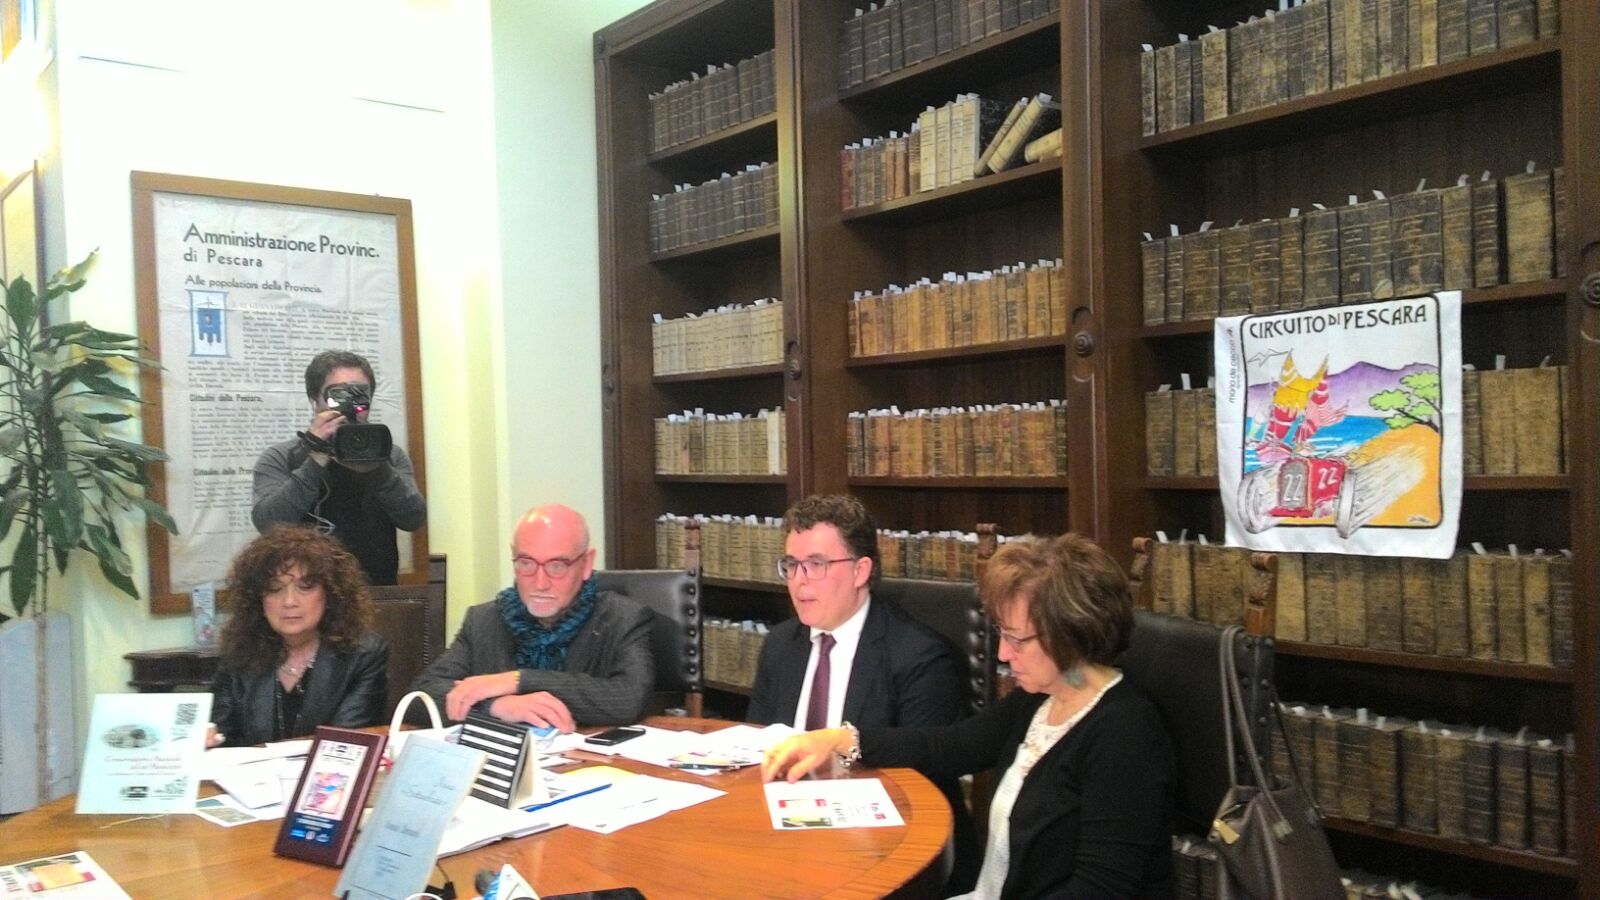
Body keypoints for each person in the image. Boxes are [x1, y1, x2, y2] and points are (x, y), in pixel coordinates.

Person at [762, 533, 1176, 900]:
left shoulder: (1125, 732)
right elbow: (951, 746)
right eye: (1002, 635)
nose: (1003, 654)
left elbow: (1101, 888)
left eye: (1017, 639)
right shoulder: (1042, 698)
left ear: (1072, 633)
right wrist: (841, 740)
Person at [746, 493, 976, 890]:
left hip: (884, 850)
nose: (799, 580)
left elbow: (922, 781)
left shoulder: (920, 655)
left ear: (860, 570)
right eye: (791, 565)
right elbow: (757, 744)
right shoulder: (782, 643)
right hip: (784, 838)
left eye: (816, 564)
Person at [411, 504, 653, 731]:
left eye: (557, 566)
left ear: (586, 563)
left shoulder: (623, 618)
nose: (540, 583)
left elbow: (628, 698)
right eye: (526, 563)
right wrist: (495, 706)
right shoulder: (484, 620)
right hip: (506, 758)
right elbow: (420, 696)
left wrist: (518, 681)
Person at [252, 350, 425, 585]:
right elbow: (268, 525)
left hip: (375, 594)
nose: (349, 408)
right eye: (338, 396)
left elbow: (414, 519)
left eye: (359, 396)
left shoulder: (390, 456)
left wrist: (378, 470)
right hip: (305, 596)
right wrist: (315, 460)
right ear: (315, 400)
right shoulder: (282, 457)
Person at [209, 526, 390, 748]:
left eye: (305, 587)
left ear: (330, 595)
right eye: (275, 589)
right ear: (258, 600)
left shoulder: (362, 655)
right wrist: (209, 737)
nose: (289, 602)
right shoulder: (239, 653)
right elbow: (220, 733)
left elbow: (346, 741)